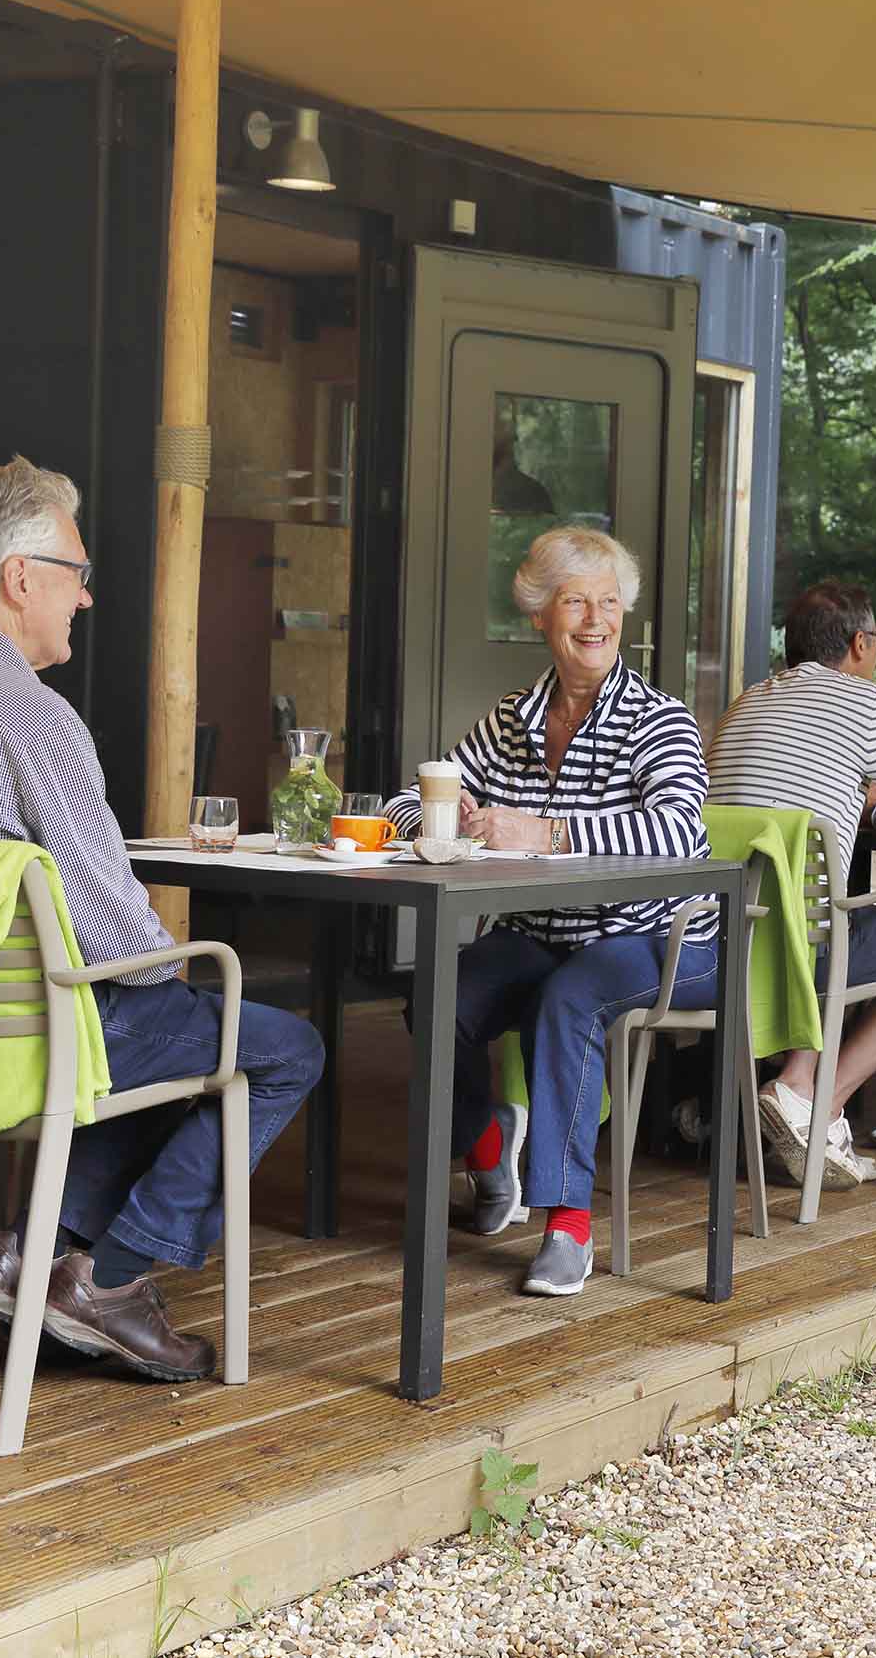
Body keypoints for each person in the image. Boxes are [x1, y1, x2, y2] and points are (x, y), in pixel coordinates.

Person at [0, 456, 326, 1383]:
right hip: (25, 1047)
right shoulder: (33, 718)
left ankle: (22, 1252)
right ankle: (110, 1278)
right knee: (274, 1044)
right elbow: (129, 951)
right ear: (20, 577)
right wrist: (166, 965)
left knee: (157, 1030)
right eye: (77, 574)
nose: (85, 597)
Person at [382, 526, 713, 1298]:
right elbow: (409, 797)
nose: (596, 619)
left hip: (658, 937)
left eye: (609, 602)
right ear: (540, 613)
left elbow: (678, 831)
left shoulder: (657, 718)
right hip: (542, 931)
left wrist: (547, 831)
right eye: (575, 602)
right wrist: (443, 819)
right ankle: (486, 1144)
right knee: (435, 993)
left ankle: (568, 1223)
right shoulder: (511, 719)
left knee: (571, 996)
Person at [706, 581, 876, 1189]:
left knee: (841, 924)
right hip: (804, 945)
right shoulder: (866, 703)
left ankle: (800, 1092)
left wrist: (864, 801)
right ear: (859, 644)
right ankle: (815, 1102)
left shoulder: (744, 703)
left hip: (717, 937)